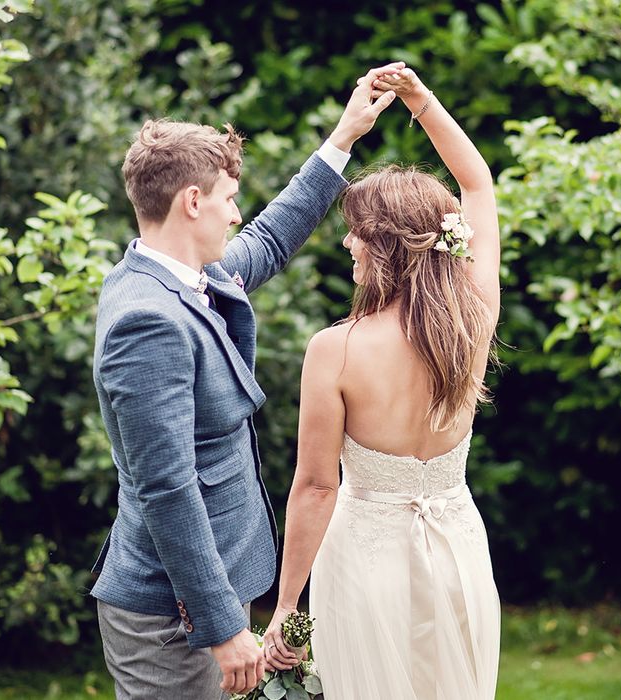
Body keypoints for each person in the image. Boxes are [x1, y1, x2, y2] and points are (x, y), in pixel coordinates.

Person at [90, 63, 402, 700]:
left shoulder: (180, 277)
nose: (237, 216)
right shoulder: (146, 320)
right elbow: (167, 485)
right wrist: (222, 623)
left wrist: (343, 138)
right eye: (230, 199)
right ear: (193, 201)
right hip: (170, 617)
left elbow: (270, 237)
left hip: (201, 601)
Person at [263, 67, 501, 699]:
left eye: (356, 232)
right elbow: (477, 182)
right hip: (459, 553)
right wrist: (421, 103)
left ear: (384, 246)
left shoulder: (335, 350)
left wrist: (287, 608)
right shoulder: (474, 317)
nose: (346, 241)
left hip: (366, 567)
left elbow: (316, 488)